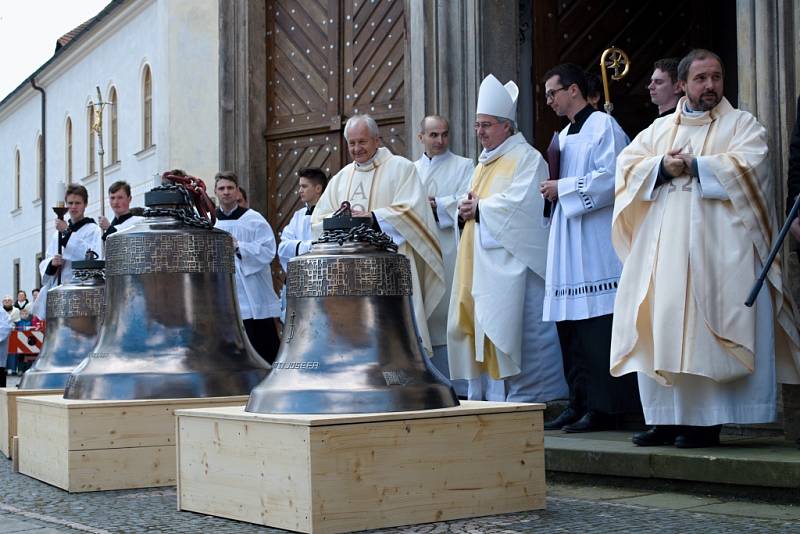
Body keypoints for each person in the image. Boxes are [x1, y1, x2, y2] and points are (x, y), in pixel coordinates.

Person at [611, 49, 800, 448]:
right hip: (663, 257)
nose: (710, 86)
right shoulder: (659, 132)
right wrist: (662, 166)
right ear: (683, 84)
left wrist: (696, 166)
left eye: (716, 77)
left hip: (720, 257)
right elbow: (627, 166)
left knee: (706, 334)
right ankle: (665, 419)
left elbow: (753, 165)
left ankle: (705, 424)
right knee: (661, 327)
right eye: (701, 79)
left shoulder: (741, 124)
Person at [447, 75, 567, 402]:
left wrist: (481, 209)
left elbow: (525, 207)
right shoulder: (483, 164)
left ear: (506, 126)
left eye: (486, 125)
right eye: (477, 125)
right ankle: (490, 394)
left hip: (517, 269)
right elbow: (476, 202)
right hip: (484, 264)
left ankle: (535, 394)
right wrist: (466, 209)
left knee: (522, 330)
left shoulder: (527, 158)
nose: (480, 132)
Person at [539, 64, 639, 432]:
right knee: (571, 328)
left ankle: (606, 408)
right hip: (568, 240)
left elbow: (614, 177)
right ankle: (578, 401)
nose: (549, 101)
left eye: (553, 93)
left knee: (598, 327)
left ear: (574, 90)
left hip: (596, 241)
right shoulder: (563, 135)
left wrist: (561, 188)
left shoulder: (604, 127)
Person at [311, 114, 445, 357]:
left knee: (395, 341)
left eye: (362, 142)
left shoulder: (401, 168)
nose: (356, 148)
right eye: (351, 143)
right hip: (349, 275)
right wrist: (343, 221)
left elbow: (413, 211)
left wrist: (373, 218)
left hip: (390, 271)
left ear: (377, 139)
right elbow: (317, 221)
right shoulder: (341, 178)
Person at [414, 115, 474, 394]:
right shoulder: (409, 170)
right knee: (422, 314)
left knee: (448, 314)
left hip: (449, 251)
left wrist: (438, 205)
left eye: (444, 134)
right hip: (417, 254)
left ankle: (457, 386)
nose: (440, 141)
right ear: (421, 138)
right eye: (433, 135)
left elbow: (467, 199)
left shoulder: (464, 165)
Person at [214, 171, 282, 364]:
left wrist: (239, 247)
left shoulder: (254, 219)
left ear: (237, 192)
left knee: (263, 346)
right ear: (216, 192)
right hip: (225, 292)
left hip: (253, 293)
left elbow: (269, 250)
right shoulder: (211, 222)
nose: (226, 192)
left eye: (230, 188)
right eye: (222, 188)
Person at [34, 184, 103, 318]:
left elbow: (93, 257)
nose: (73, 207)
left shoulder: (93, 230)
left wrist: (67, 232)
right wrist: (52, 264)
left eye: (78, 203)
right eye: (70, 203)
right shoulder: (57, 233)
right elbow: (48, 259)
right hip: (59, 289)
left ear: (85, 204)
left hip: (81, 291)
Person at [278, 167, 327, 272]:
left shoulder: (329, 214)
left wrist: (296, 246)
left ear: (318, 188)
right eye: (300, 186)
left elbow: (324, 248)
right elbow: (282, 248)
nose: (300, 191)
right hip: (298, 276)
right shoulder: (298, 215)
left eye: (304, 186)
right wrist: (307, 246)